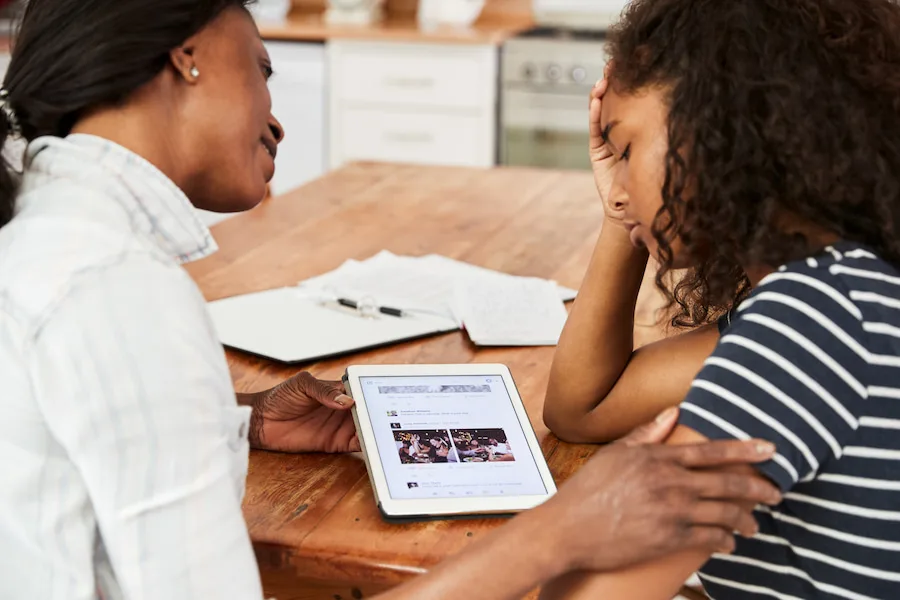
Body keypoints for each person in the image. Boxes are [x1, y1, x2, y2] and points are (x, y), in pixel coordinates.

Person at [0, 1, 782, 599]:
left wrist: (235, 419)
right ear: (188, 54)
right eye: (265, 69)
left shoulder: (58, 236)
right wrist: (558, 533)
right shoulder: (118, 286)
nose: (275, 120)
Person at [542, 0, 900, 598]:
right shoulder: (848, 294)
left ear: (716, 127)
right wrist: (620, 212)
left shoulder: (811, 327)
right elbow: (583, 408)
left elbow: (584, 595)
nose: (620, 186)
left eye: (626, 150)